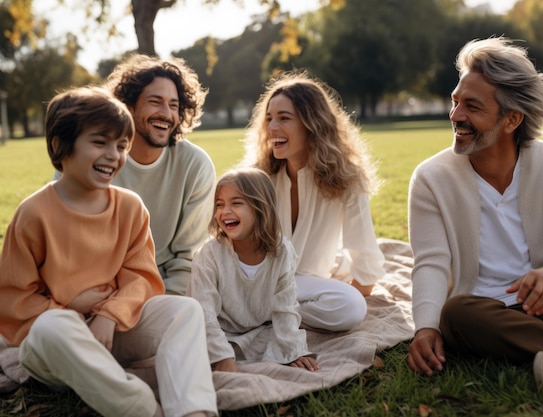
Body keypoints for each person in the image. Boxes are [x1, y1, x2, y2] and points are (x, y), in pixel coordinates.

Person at [406, 37, 543, 390]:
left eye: (472, 107)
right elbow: (430, 262)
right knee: (456, 313)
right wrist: (426, 327)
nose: (456, 116)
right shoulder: (431, 178)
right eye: (455, 101)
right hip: (490, 316)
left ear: (511, 119)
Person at [0, 86, 217, 417]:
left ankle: (192, 411)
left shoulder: (130, 208)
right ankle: (141, 408)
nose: (114, 155)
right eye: (100, 142)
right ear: (60, 146)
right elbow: (16, 299)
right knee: (51, 327)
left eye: (121, 146)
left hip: (115, 330)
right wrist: (70, 309)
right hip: (57, 347)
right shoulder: (33, 214)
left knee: (185, 311)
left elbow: (142, 279)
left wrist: (106, 315)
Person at [241, 71, 386, 332]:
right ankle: (263, 311)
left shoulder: (348, 180)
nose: (272, 128)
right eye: (269, 118)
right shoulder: (259, 177)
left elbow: (365, 262)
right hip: (259, 282)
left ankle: (260, 313)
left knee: (351, 306)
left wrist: (348, 292)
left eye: (284, 118)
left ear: (313, 124)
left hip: (307, 286)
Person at [104, 54, 216, 295]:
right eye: (155, 101)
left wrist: (147, 302)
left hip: (165, 292)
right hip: (99, 286)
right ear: (128, 107)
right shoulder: (95, 158)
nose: (166, 114)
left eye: (174, 105)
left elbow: (190, 260)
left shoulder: (195, 166)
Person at [188, 168, 319, 372]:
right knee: (191, 345)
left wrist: (292, 350)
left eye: (236, 203)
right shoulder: (209, 255)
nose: (225, 211)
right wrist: (222, 356)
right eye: (219, 204)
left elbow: (286, 307)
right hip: (221, 333)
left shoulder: (282, 251)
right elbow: (204, 314)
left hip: (260, 332)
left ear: (260, 207)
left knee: (277, 339)